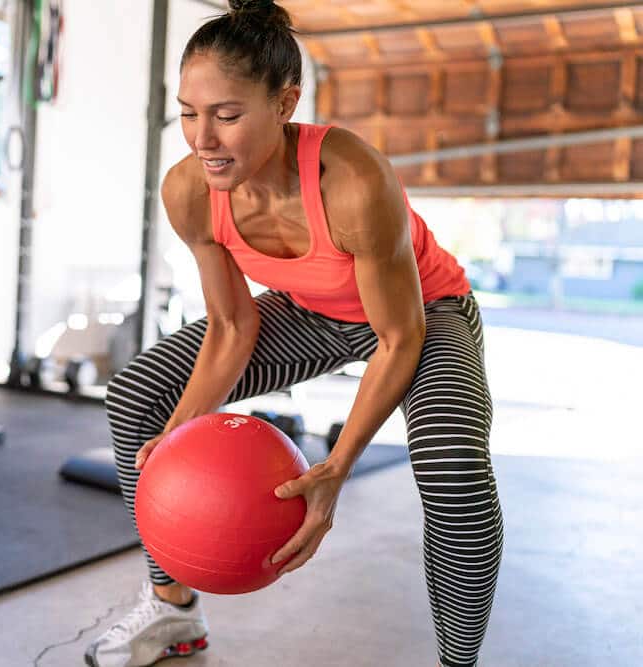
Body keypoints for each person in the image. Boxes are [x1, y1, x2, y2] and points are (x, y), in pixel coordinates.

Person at [84, 1, 504, 666]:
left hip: (425, 311)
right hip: (311, 309)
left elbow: (398, 337)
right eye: (189, 112)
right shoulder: (190, 191)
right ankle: (172, 608)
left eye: (226, 115)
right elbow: (231, 323)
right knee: (138, 396)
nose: (203, 138)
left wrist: (334, 469)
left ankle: (459, 661)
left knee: (450, 456)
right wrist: (179, 429)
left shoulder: (353, 179)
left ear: (284, 104)